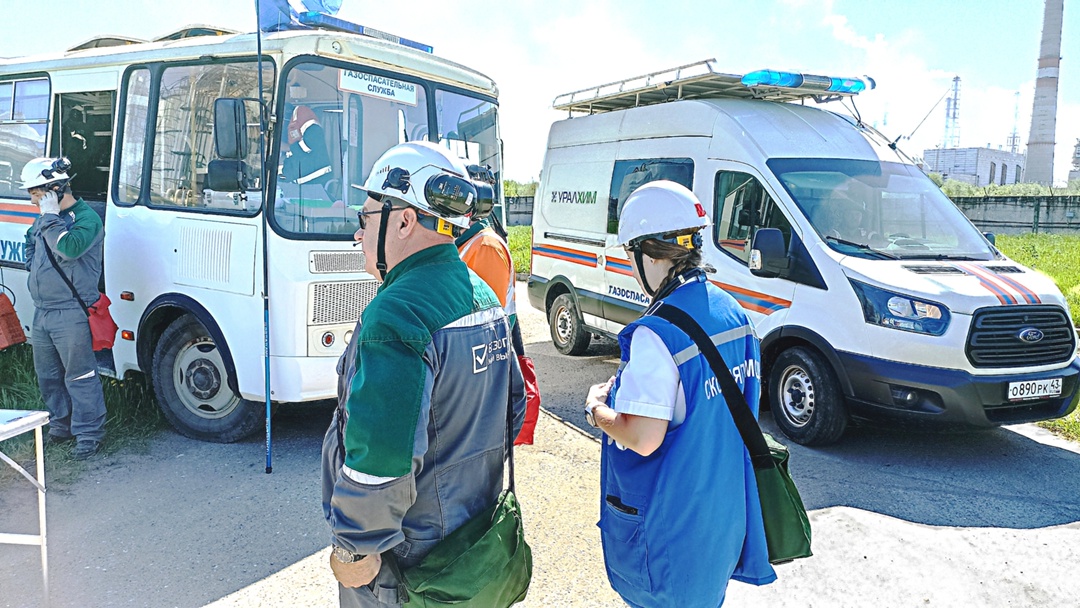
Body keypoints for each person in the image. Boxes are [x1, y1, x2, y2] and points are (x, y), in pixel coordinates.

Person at [321, 141, 526, 607]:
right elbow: (512, 406)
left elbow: (380, 464)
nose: (358, 234)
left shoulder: (396, 315)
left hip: (407, 563)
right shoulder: (482, 294)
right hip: (473, 540)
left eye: (365, 218)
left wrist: (354, 548)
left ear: (405, 219)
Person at [583, 181, 775, 607]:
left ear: (648, 254)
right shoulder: (733, 312)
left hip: (672, 532)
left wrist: (596, 409)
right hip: (721, 520)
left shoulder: (656, 333)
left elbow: (644, 437)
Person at [21, 157, 106, 460]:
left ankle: (88, 434)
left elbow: (68, 247)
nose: (32, 200)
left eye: (35, 194)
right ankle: (61, 427)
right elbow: (31, 242)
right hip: (43, 309)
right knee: (49, 376)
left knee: (80, 375)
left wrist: (51, 217)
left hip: (71, 310)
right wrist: (33, 266)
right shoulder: (45, 217)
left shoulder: (86, 219)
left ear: (54, 189)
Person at [280, 105, 333, 189]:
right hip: (300, 186)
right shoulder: (298, 133)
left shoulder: (313, 130)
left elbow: (302, 152)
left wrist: (285, 146)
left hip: (317, 185)